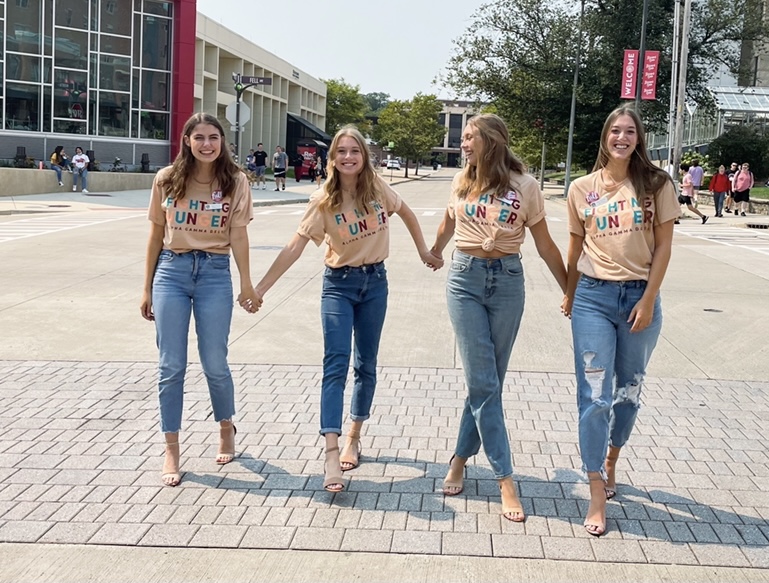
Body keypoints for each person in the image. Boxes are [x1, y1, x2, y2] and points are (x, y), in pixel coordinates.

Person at [248, 125, 442, 493]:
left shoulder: (378, 188)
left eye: (355, 151)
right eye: (342, 151)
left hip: (375, 283)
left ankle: (355, 433)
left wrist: (424, 252)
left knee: (365, 364)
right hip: (338, 285)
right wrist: (260, 288)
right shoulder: (323, 199)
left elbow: (409, 215)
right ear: (332, 158)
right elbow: (295, 245)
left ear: (364, 156)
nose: (349, 157)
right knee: (335, 365)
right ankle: (331, 452)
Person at [428, 113, 567, 523]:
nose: (463, 143)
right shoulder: (461, 180)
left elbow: (544, 245)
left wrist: (569, 288)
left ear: (492, 141)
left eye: (470, 136)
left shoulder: (525, 187)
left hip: (507, 282)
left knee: (487, 383)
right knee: (484, 383)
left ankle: (458, 458)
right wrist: (434, 252)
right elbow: (448, 222)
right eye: (464, 137)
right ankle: (506, 478)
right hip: (464, 280)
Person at [561, 105, 681, 537]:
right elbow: (575, 247)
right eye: (615, 130)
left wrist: (648, 299)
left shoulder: (656, 185)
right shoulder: (581, 188)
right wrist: (570, 292)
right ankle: (595, 487)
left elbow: (664, 246)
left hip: (638, 299)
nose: (622, 137)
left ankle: (612, 457)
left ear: (639, 138)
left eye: (630, 131)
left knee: (627, 392)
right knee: (594, 394)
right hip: (593, 296)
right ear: (605, 137)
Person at [140, 112, 262, 487]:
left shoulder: (236, 181)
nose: (207, 144)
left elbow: (239, 235)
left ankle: (226, 425)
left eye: (214, 137)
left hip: (214, 273)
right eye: (200, 138)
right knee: (170, 365)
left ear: (222, 142)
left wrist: (246, 283)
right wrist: (146, 287)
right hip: (171, 273)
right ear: (187, 141)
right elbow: (156, 234)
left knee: (215, 363)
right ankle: (171, 447)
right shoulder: (167, 179)